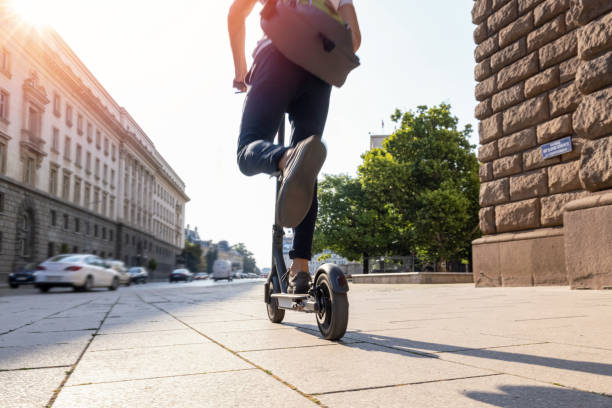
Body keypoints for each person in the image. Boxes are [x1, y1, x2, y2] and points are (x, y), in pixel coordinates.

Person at [228, 0, 361, 293]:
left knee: (248, 148)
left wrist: (241, 72)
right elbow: (354, 40)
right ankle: (300, 269)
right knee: (307, 170)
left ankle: (286, 157)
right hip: (320, 69)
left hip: (277, 52)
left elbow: (237, 14)